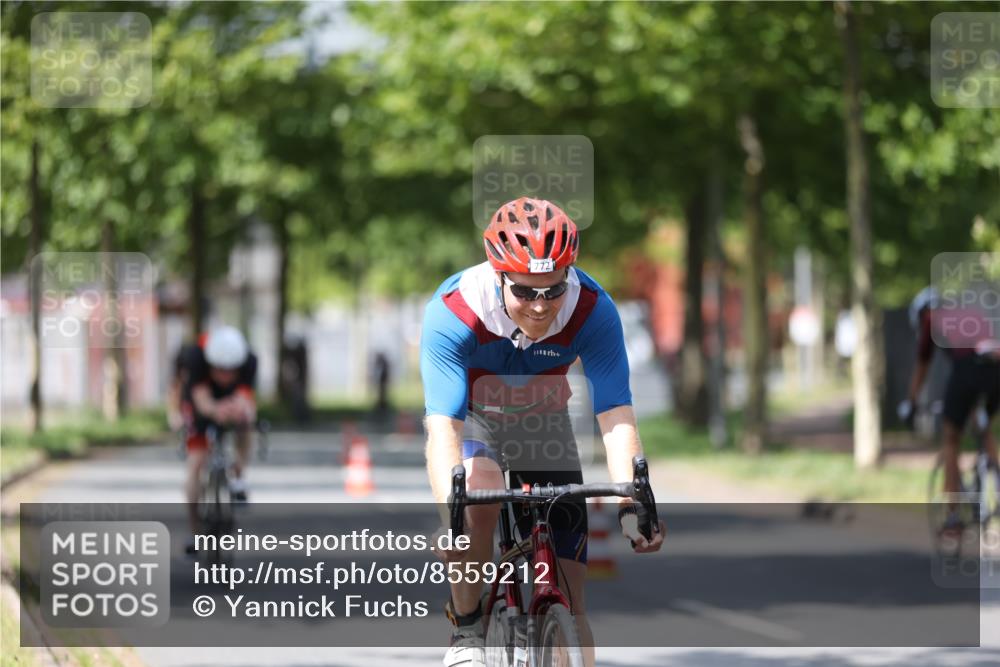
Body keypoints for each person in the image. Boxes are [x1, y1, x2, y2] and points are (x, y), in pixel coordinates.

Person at [421, 197, 665, 667]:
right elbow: (443, 428)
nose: (540, 306)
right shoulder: (455, 311)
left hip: (542, 421)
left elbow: (615, 415)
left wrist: (633, 503)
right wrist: (451, 518)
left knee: (572, 598)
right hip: (474, 416)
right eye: (525, 292)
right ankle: (468, 629)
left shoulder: (593, 310)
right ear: (498, 276)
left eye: (552, 291)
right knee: (479, 490)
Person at [899, 286, 1000, 535]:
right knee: (983, 427)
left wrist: (911, 404)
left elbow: (922, 367)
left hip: (967, 371)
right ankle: (995, 477)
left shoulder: (931, 319)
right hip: (996, 368)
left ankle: (953, 516)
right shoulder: (968, 314)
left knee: (950, 437)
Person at [171, 326, 258, 553]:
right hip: (202, 402)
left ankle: (238, 475)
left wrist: (238, 409)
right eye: (220, 370)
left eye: (231, 371)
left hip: (230, 399)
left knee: (246, 422)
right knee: (196, 463)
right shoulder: (195, 359)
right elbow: (201, 400)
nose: (226, 376)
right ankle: (195, 531)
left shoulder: (249, 360)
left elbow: (245, 397)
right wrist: (214, 411)